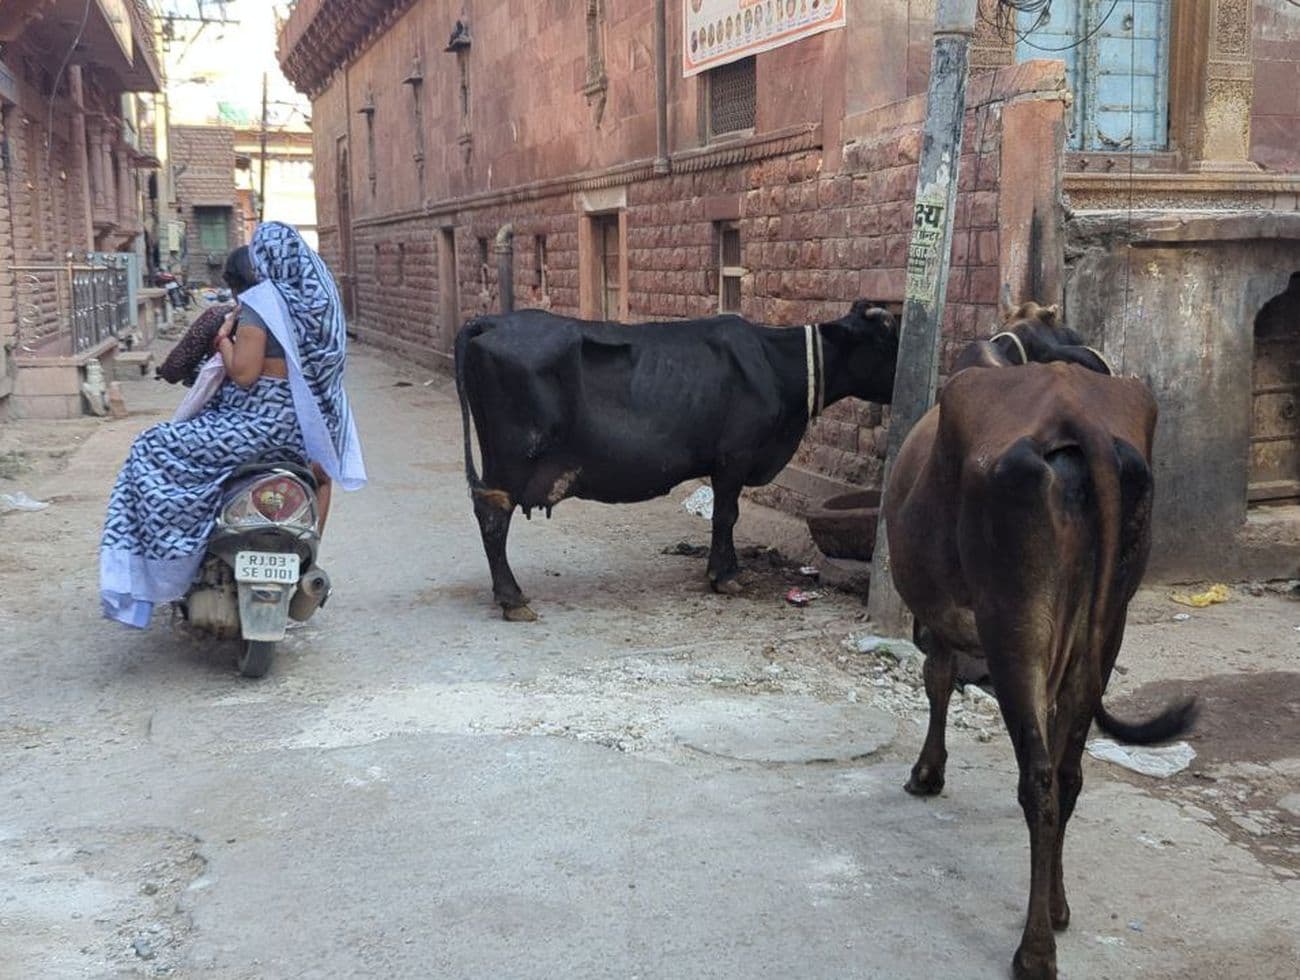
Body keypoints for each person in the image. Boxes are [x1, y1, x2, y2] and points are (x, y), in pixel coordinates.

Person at [100, 222, 366, 628]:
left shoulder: (263, 301)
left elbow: (243, 374)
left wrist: (223, 339)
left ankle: (168, 561)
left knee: (150, 446)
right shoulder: (319, 304)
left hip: (258, 427)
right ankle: (307, 561)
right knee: (321, 479)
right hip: (304, 431)